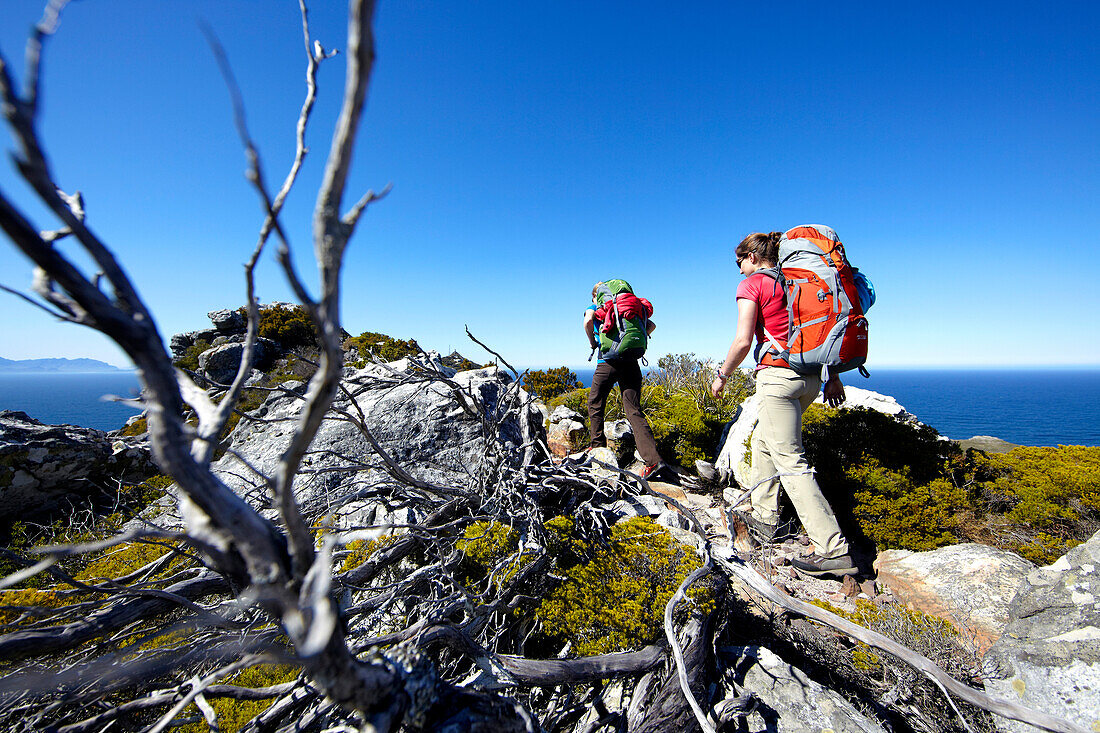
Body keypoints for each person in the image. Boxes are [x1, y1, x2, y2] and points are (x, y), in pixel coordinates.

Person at [709, 232, 856, 578]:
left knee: (791, 460)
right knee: (763, 440)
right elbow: (820, 329)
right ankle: (765, 517)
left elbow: (744, 340)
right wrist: (832, 376)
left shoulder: (753, 285)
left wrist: (722, 375)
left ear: (753, 257)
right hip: (810, 378)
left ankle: (832, 548)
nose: (738, 269)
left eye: (739, 261)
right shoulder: (796, 281)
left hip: (778, 378)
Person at [584, 282, 665, 480]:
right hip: (631, 362)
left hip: (607, 362)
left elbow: (587, 321)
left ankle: (597, 447)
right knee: (634, 410)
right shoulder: (630, 305)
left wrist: (593, 342)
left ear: (596, 296)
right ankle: (654, 460)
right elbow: (652, 325)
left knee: (595, 403)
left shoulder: (596, 306)